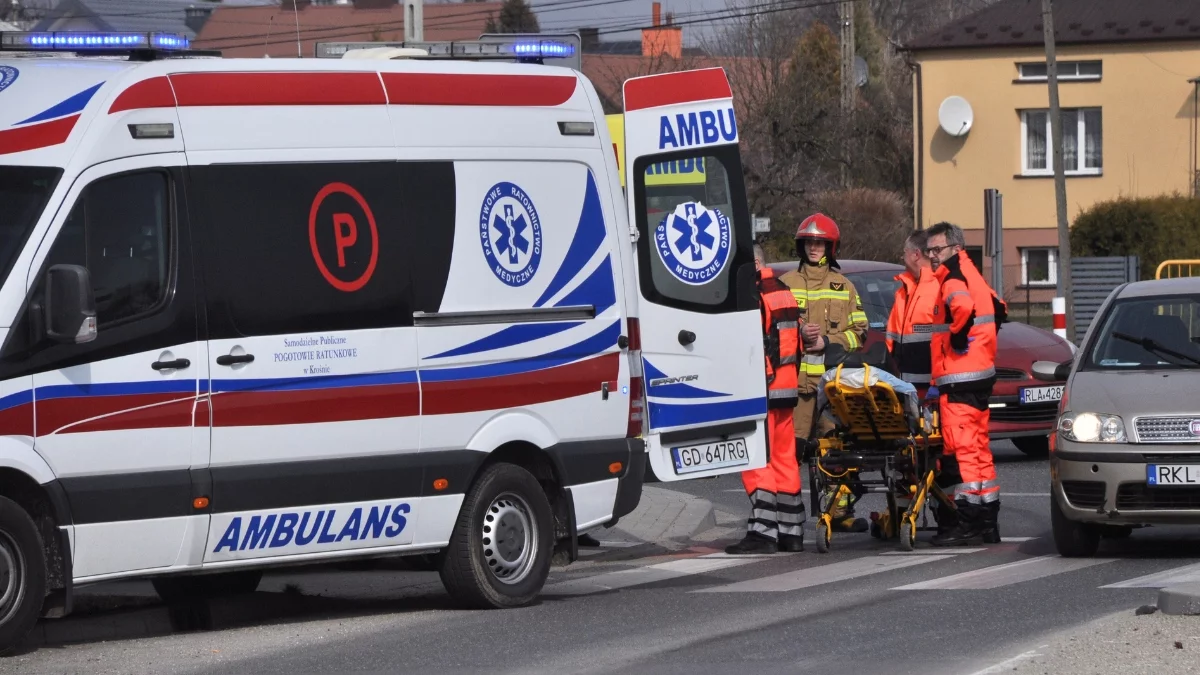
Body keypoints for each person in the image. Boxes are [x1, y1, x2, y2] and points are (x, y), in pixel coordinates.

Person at [779, 214, 869, 532]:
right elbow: (769, 332)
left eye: (820, 242)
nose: (814, 247)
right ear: (801, 245)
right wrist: (799, 333)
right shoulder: (786, 284)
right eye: (809, 242)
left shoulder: (844, 286)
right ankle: (787, 517)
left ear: (831, 247)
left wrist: (827, 340)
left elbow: (860, 332)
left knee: (834, 450)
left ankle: (839, 512)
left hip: (831, 388)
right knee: (792, 453)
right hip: (797, 387)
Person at [924, 221, 1007, 546]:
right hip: (979, 375)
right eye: (930, 250)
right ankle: (987, 521)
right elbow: (999, 307)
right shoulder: (972, 273)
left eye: (937, 250)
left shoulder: (952, 276)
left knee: (963, 453)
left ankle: (968, 523)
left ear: (954, 249)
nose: (932, 256)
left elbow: (963, 308)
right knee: (979, 451)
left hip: (959, 378)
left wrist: (959, 336)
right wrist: (981, 343)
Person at [727, 245, 806, 554]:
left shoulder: (754, 294)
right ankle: (791, 531)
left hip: (763, 385)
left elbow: (753, 343)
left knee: (756, 457)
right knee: (784, 459)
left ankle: (763, 532)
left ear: (754, 264)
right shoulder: (784, 291)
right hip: (786, 388)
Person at [884, 229, 957, 533]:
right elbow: (892, 341)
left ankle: (950, 518)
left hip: (934, 394)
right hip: (910, 395)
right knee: (907, 459)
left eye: (904, 253)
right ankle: (902, 517)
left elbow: (945, 342)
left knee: (942, 460)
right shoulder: (904, 290)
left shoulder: (935, 289)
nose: (902, 259)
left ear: (915, 254)